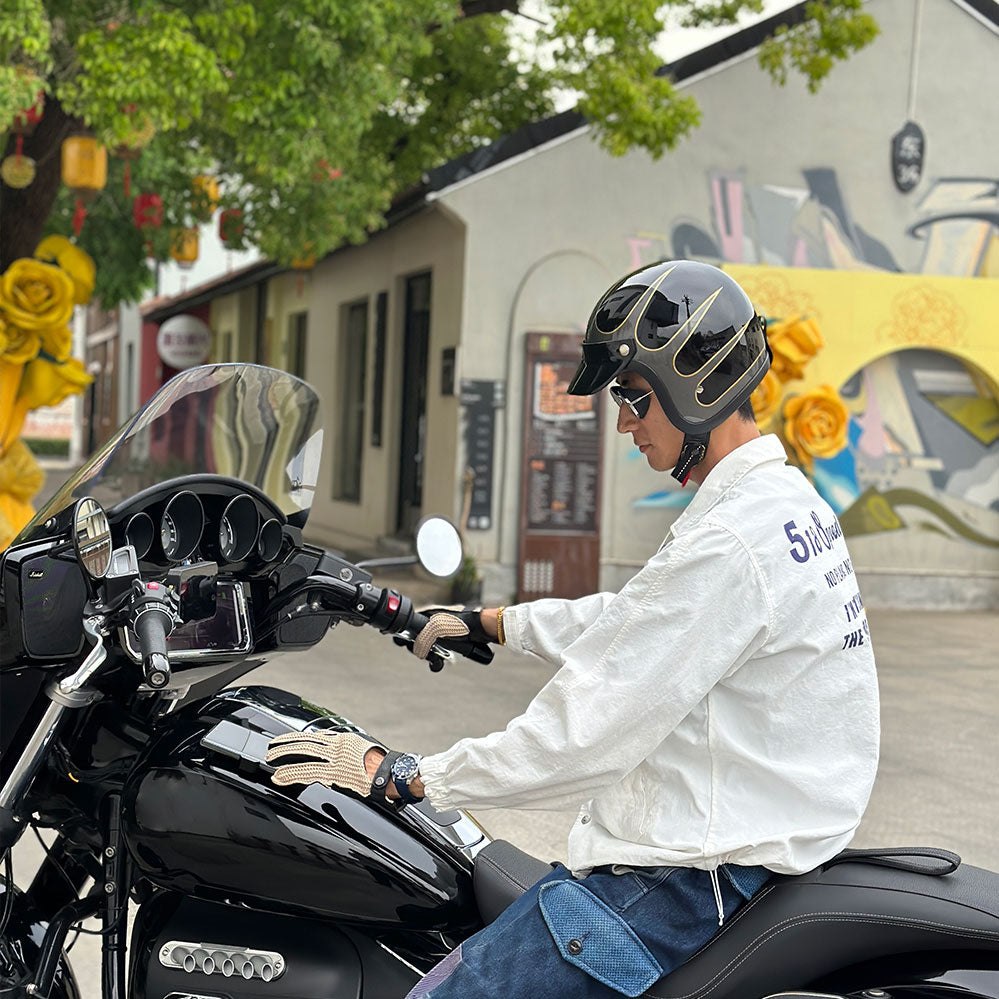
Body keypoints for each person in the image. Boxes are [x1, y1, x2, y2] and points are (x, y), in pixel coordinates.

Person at [267, 260, 880, 999]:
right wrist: (491, 622)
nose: (623, 421)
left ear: (696, 386)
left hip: (685, 879)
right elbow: (643, 618)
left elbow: (581, 735)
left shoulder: (732, 542)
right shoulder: (779, 504)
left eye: (633, 395)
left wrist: (407, 774)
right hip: (744, 852)